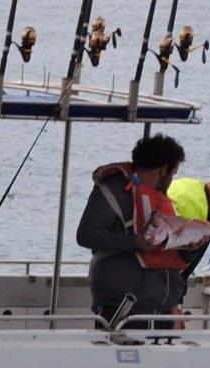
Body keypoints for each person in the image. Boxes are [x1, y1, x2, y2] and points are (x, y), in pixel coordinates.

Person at [75, 132, 188, 327]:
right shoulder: (112, 190)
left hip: (161, 309)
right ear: (163, 170)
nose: (172, 180)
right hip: (122, 309)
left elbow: (168, 253)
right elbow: (86, 234)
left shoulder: (161, 200)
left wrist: (189, 248)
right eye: (174, 173)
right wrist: (133, 242)